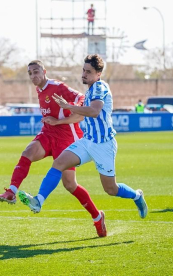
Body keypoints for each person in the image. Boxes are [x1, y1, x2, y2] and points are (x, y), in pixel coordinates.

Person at [18, 54, 148, 234]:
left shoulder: (100, 88)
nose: (84, 74)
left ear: (98, 74)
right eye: (83, 70)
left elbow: (94, 111)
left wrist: (68, 106)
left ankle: (137, 195)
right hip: (87, 141)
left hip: (104, 145)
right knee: (59, 163)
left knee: (111, 189)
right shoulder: (91, 89)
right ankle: (39, 200)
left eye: (89, 72)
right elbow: (83, 113)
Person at [0, 60, 107, 237]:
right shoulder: (39, 89)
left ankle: (97, 216)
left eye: (36, 72)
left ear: (44, 71)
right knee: (27, 153)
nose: (33, 76)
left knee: (70, 185)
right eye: (30, 73)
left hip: (66, 138)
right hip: (48, 134)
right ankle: (12, 191)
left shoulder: (57, 86)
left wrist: (64, 116)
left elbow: (80, 98)